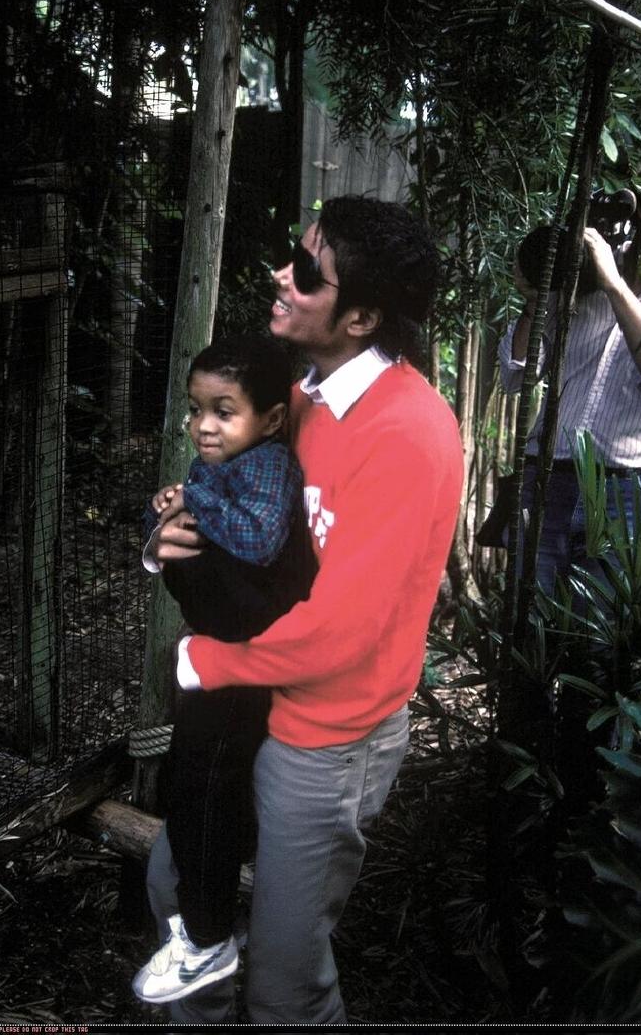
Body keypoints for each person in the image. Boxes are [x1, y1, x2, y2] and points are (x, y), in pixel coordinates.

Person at [141, 195, 464, 1024]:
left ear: (359, 315)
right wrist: (172, 536)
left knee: (285, 983)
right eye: (296, 253)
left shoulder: (408, 433)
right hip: (252, 698)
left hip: (325, 732)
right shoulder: (297, 391)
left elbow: (341, 630)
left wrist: (205, 660)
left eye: (308, 272)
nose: (284, 273)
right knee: (177, 890)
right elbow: (219, 489)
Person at [132, 334, 316, 1005]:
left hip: (248, 662)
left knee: (210, 783)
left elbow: (259, 539)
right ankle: (199, 922)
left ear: (268, 419)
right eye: (195, 409)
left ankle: (209, 937)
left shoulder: (266, 463)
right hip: (217, 651)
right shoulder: (223, 457)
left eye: (222, 410)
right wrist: (166, 525)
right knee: (196, 780)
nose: (202, 426)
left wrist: (194, 507)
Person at [498, 163, 641, 596]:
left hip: (632, 489)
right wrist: (537, 298)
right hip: (548, 476)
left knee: (601, 646)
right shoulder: (579, 282)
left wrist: (612, 284)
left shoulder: (609, 282)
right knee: (529, 625)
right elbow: (519, 376)